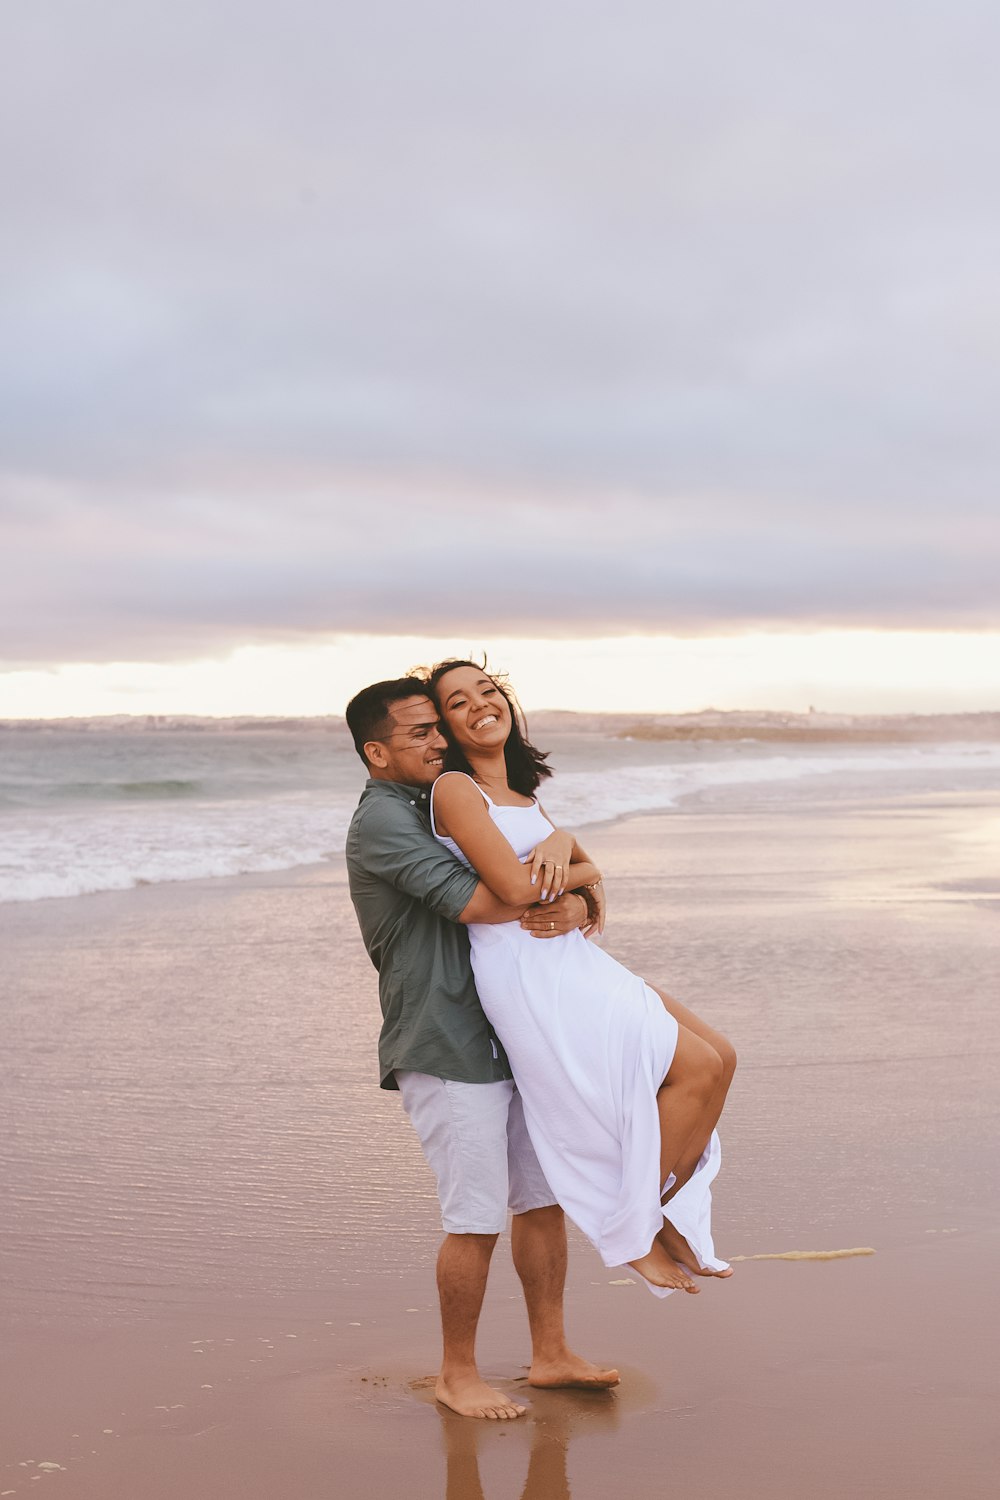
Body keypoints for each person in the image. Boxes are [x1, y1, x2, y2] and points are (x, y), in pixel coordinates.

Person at [344, 678, 619, 1421]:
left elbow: (526, 873)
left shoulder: (442, 798)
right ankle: (456, 1374)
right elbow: (481, 900)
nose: (440, 742)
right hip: (444, 1035)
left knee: (540, 1198)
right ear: (377, 752)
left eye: (440, 728)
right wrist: (579, 876)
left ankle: (552, 1354)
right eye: (419, 735)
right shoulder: (383, 821)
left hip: (509, 1026)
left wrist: (568, 882)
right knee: (474, 1215)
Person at [423, 660, 737, 1296]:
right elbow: (517, 886)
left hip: (570, 958)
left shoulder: (522, 797)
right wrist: (586, 875)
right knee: (694, 1068)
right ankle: (634, 1230)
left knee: (722, 1057)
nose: (481, 705)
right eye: (458, 702)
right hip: (527, 967)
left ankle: (660, 1210)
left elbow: (569, 876)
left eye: (487, 691)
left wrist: (568, 850)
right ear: (447, 727)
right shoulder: (456, 789)